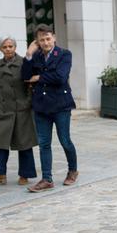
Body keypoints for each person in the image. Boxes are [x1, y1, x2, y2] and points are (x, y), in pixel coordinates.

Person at [22, 25, 78, 192]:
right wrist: (28, 55)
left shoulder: (64, 54)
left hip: (61, 105)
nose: (45, 42)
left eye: (48, 38)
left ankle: (73, 170)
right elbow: (25, 77)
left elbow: (61, 77)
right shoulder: (36, 56)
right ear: (37, 42)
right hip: (41, 106)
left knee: (65, 140)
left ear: (53, 38)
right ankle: (47, 179)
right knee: (44, 143)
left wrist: (38, 77)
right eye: (41, 40)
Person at [0, 36, 38, 186]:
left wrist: (27, 102)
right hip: (4, 108)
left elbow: (30, 85)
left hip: (21, 108)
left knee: (24, 143)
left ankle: (25, 175)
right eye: (4, 47)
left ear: (15, 47)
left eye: (10, 46)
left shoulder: (23, 62)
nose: (8, 49)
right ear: (0, 49)